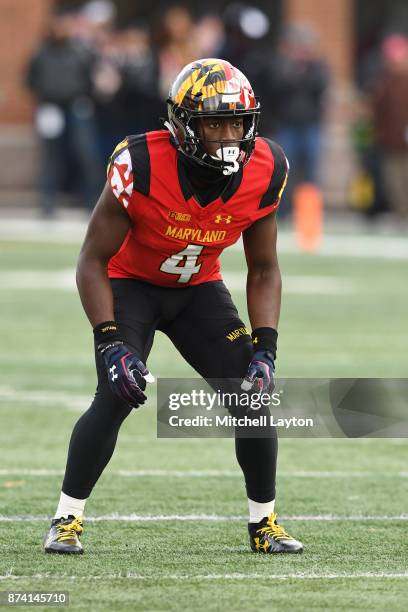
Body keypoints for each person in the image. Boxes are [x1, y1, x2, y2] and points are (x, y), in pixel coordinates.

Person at [43, 58, 303, 555]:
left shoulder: (266, 169)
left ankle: (263, 523)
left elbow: (265, 268)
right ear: (184, 126)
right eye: (213, 123)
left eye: (236, 122)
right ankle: (66, 518)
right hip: (130, 283)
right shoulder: (139, 163)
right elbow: (91, 261)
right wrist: (110, 342)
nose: (228, 135)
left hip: (198, 290)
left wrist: (266, 350)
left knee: (251, 396)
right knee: (118, 392)